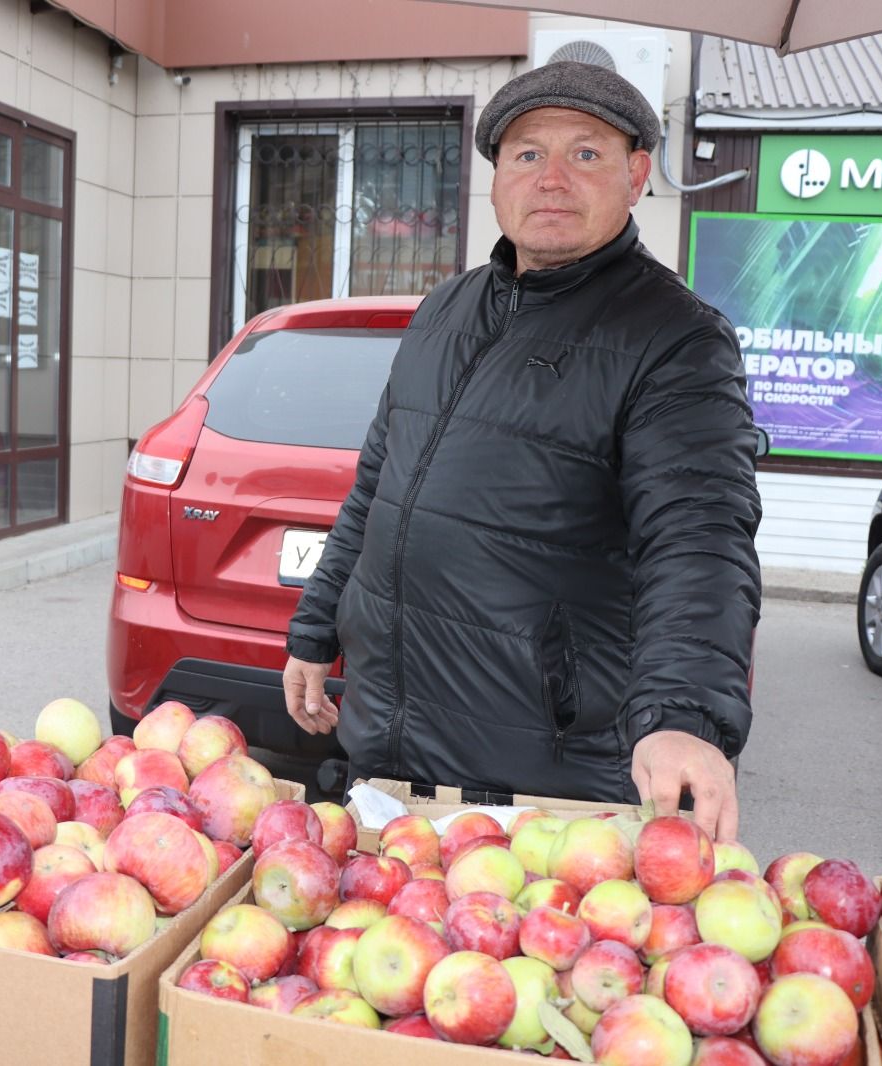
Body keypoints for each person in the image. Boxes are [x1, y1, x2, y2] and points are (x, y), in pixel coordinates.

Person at [281, 61, 763, 840]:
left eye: (587, 153)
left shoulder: (677, 339)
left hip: (540, 787)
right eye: (528, 154)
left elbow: (699, 538)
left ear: (637, 175)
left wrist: (683, 715)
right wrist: (316, 630)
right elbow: (377, 487)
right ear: (498, 179)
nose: (552, 178)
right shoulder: (445, 309)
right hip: (388, 757)